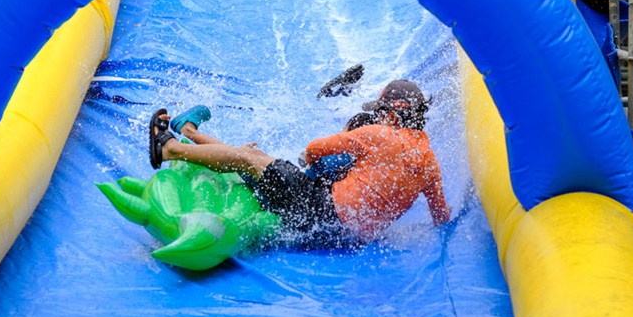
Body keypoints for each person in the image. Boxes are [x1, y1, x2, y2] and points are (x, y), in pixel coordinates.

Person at [148, 80, 451, 244]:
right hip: (341, 238)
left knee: (250, 158)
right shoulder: (430, 163)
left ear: (392, 116)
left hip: (317, 210)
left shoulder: (380, 135)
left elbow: (312, 149)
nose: (376, 119)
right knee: (257, 162)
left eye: (380, 114)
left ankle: (170, 148)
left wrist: (324, 162)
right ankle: (189, 131)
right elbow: (441, 216)